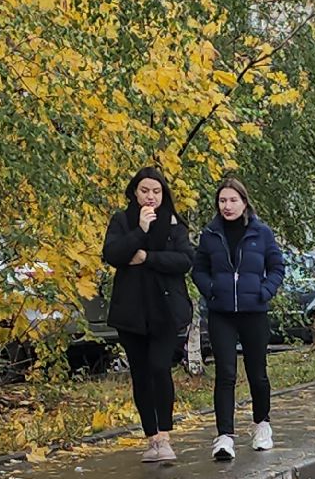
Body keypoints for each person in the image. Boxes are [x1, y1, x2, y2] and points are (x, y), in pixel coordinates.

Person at [103, 167, 194, 463]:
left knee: (159, 367)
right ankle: (151, 437)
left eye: (156, 191)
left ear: (163, 193)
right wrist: (139, 232)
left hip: (165, 309)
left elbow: (184, 260)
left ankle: (165, 435)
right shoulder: (123, 220)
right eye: (145, 191)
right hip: (131, 311)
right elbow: (112, 254)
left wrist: (148, 258)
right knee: (140, 373)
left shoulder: (173, 223)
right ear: (134, 192)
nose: (150, 197)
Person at [193, 176, 287, 462]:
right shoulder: (210, 234)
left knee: (257, 373)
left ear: (244, 202)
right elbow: (199, 269)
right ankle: (224, 437)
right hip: (222, 313)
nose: (227, 206)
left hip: (254, 311)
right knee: (226, 374)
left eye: (233, 200)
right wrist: (211, 290)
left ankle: (262, 425)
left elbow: (277, 266)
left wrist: (265, 291)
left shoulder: (261, 233)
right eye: (222, 200)